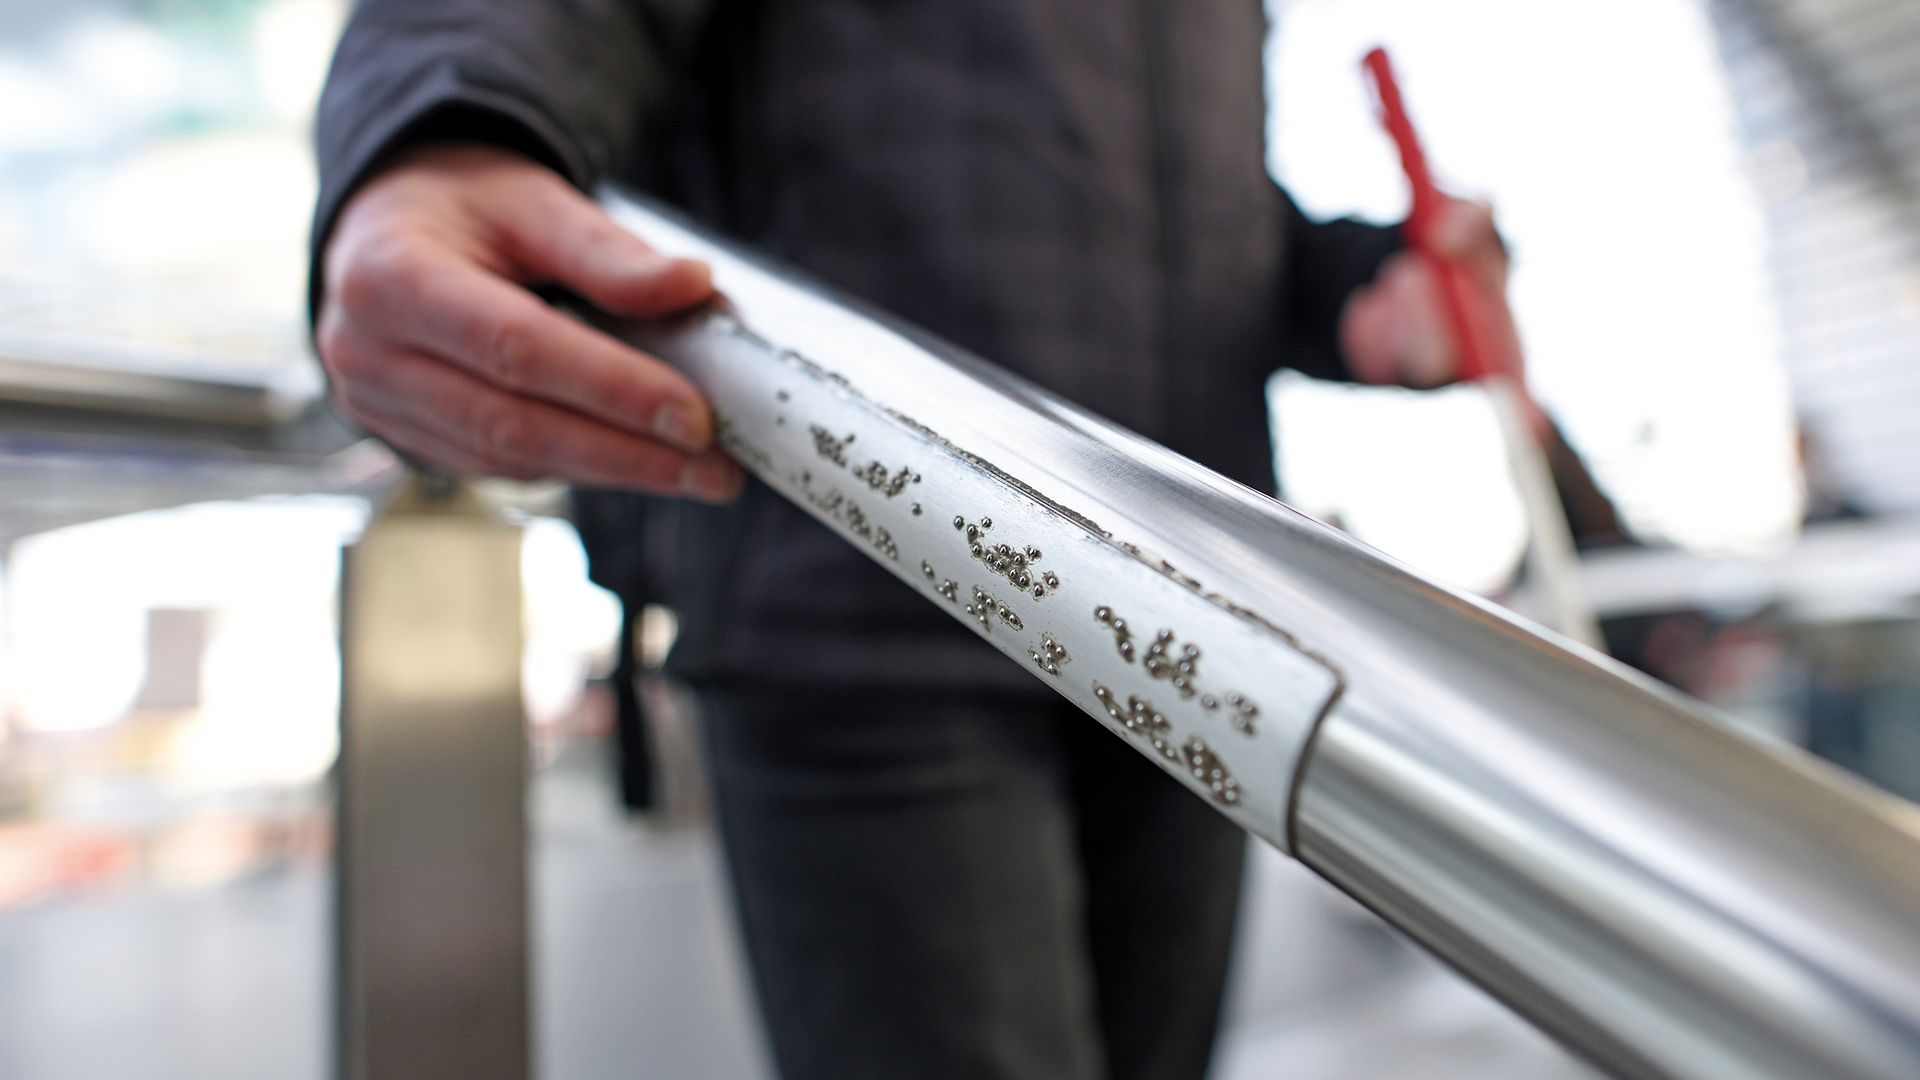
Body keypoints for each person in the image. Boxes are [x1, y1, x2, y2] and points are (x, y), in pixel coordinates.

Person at [311, 4, 1515, 1078]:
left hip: (1187, 620)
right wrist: (438, 126)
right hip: (860, 614)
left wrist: (1357, 290)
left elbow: (1182, 216)